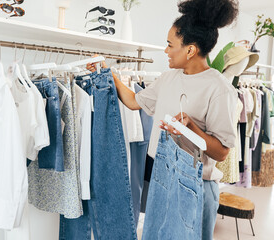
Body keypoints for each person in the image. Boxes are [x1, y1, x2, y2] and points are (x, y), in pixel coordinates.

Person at [87, 0, 239, 239]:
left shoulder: (219, 89)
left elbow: (221, 153)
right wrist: (108, 73)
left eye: (170, 45)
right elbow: (134, 101)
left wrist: (192, 130)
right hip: (161, 178)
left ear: (190, 50)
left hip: (195, 185)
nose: (165, 51)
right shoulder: (168, 78)